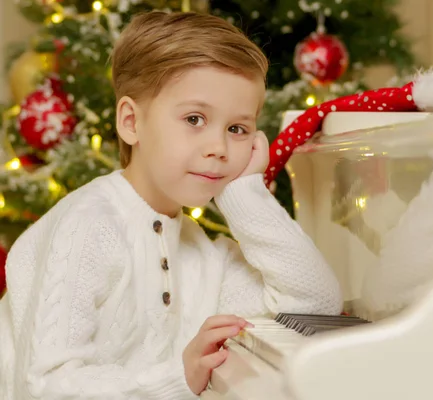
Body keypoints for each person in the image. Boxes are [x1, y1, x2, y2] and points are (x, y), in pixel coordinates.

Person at [0, 11, 342, 399]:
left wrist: (246, 190)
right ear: (131, 122)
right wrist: (177, 376)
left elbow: (313, 307)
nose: (218, 148)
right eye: (195, 118)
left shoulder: (202, 252)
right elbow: (44, 387)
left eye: (237, 129)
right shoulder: (89, 225)